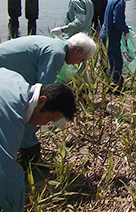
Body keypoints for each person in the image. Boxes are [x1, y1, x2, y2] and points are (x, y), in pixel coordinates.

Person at [0, 33, 96, 164]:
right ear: (78, 51)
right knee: (31, 110)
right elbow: (44, 90)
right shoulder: (56, 53)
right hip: (4, 69)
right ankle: (29, 155)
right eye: (82, 59)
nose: (79, 63)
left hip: (8, 71)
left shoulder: (55, 45)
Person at [0, 70, 77, 212]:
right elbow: (6, 171)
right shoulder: (13, 114)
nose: (43, 123)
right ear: (42, 100)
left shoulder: (17, 80)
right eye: (48, 118)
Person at [100, 0, 136, 89]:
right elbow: (117, 21)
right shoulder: (119, 2)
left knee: (105, 59)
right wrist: (125, 30)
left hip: (104, 34)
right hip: (112, 35)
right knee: (116, 59)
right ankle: (116, 83)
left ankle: (105, 80)